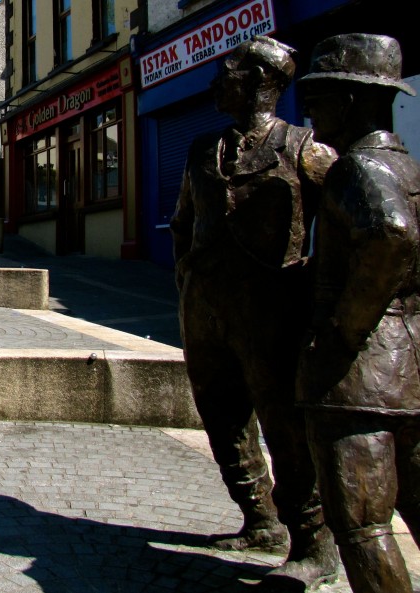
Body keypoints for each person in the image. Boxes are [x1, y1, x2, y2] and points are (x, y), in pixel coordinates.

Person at [170, 36, 338, 589]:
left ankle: (314, 542)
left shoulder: (306, 149)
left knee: (285, 426)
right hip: (206, 309)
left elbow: (346, 229)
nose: (218, 82)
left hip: (272, 313)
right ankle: (260, 520)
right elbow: (182, 224)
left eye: (229, 72)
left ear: (262, 80)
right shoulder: (201, 150)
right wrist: (187, 284)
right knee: (222, 417)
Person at [296, 33, 420, 593]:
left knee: (362, 525)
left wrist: (345, 327)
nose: (308, 112)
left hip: (361, 375)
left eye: (318, 98)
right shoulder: (409, 168)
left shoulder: (356, 169)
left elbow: (390, 236)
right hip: (409, 366)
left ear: (348, 101)